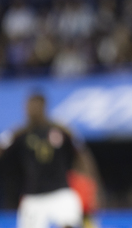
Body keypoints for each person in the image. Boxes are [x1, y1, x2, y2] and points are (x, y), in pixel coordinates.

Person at [0, 93, 83, 228]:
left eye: (33, 107)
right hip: (33, 197)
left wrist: (91, 182)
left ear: (43, 107)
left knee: (69, 223)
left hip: (60, 192)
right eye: (28, 107)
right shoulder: (19, 133)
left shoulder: (60, 129)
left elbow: (80, 152)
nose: (30, 111)